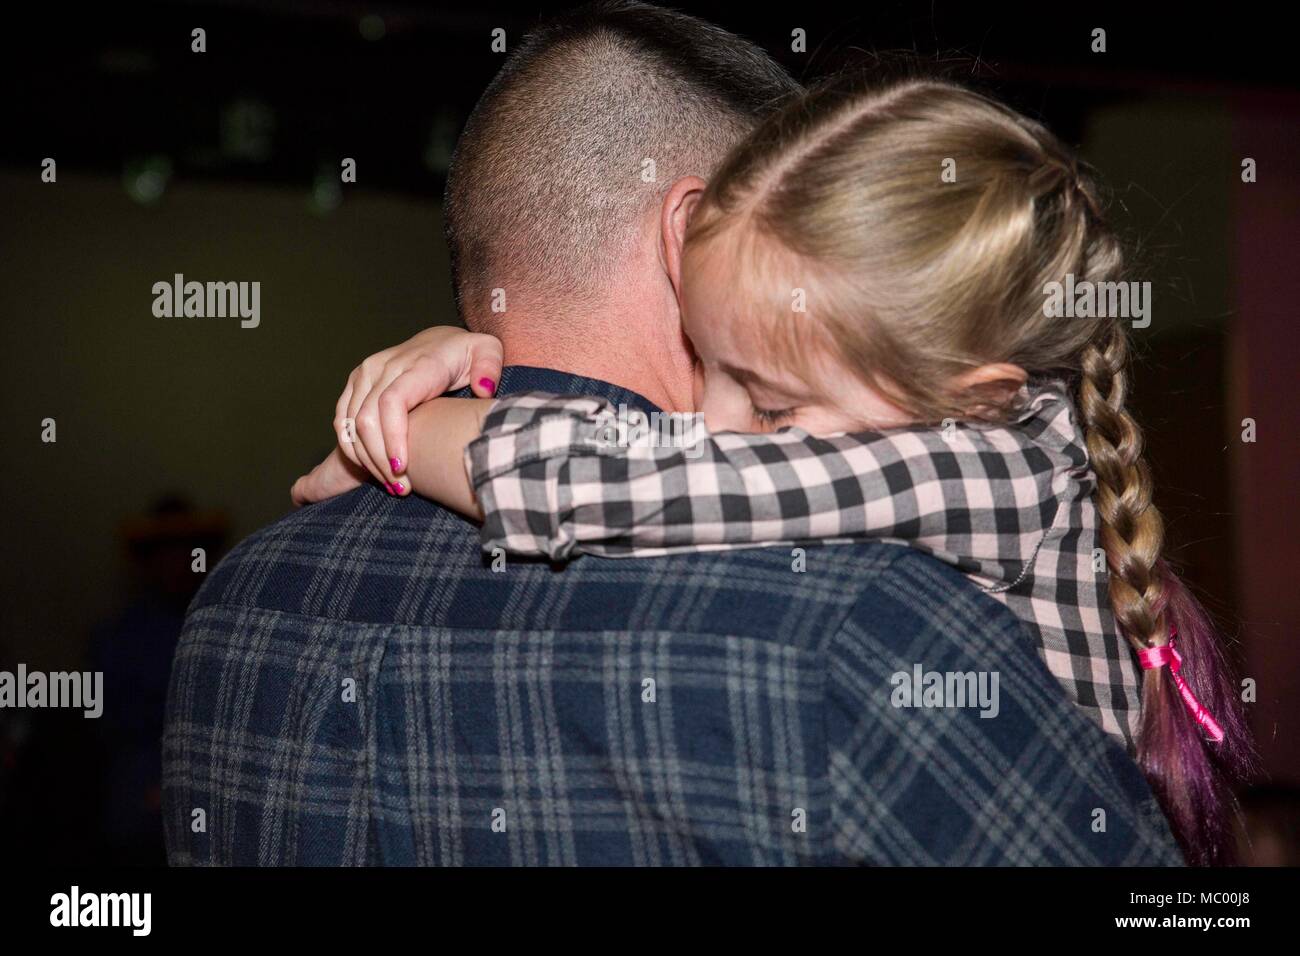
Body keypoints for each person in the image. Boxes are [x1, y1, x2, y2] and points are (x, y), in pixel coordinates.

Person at [166, 2, 1182, 865]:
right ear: (688, 237)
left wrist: (417, 416)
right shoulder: (863, 621)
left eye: (773, 408)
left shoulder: (233, 600)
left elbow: (616, 480)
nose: (732, 428)